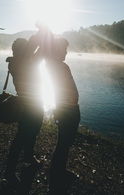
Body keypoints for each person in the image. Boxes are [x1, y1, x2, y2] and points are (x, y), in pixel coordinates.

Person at [4, 36, 44, 188]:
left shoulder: (17, 62)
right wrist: (40, 35)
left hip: (34, 102)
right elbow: (40, 48)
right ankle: (9, 172)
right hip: (29, 104)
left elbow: (37, 50)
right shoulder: (22, 63)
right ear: (22, 50)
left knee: (32, 131)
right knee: (22, 136)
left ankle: (28, 157)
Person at [46, 37, 81, 194]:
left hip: (66, 108)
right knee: (64, 142)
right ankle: (57, 173)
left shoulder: (56, 66)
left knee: (64, 142)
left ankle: (59, 170)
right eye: (64, 49)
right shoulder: (59, 67)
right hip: (68, 110)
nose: (66, 52)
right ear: (57, 50)